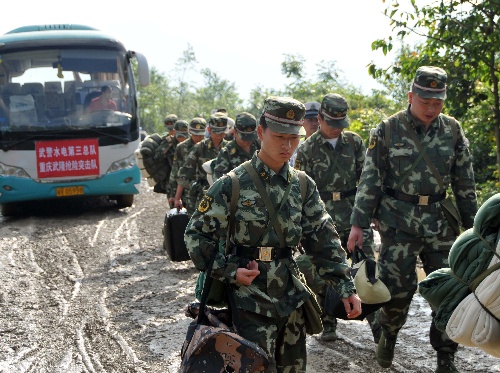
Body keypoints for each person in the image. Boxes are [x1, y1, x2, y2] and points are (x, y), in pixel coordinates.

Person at [185, 96, 361, 372]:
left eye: (294, 138)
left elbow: (322, 237)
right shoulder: (231, 185)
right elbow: (196, 236)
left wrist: (344, 285)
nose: (287, 146)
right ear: (260, 132)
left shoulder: (303, 185)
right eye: (279, 137)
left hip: (290, 296)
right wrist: (230, 270)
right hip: (248, 298)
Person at [347, 66, 478, 373]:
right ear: (411, 96)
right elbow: (371, 179)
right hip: (398, 222)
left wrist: (475, 230)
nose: (431, 108)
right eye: (425, 101)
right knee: (396, 291)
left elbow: (465, 184)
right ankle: (388, 335)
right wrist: (358, 224)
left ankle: (445, 355)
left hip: (440, 223)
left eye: (437, 102)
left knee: (450, 289)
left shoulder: (453, 130)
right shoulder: (388, 129)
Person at [294, 93, 377, 342]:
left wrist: (366, 216)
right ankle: (328, 322)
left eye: (341, 123)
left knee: (367, 270)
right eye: (332, 123)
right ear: (319, 119)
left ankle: (376, 325)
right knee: (323, 273)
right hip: (321, 220)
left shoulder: (354, 143)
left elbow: (367, 180)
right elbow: (300, 191)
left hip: (354, 217)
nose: (336, 129)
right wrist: (301, 227)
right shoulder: (307, 149)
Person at [175, 112, 229, 211]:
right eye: (216, 132)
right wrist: (177, 198)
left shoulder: (229, 148)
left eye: (222, 132)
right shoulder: (199, 148)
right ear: (209, 130)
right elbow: (185, 173)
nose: (219, 135)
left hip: (226, 195)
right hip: (203, 195)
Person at [169, 117, 207, 213]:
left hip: (207, 191)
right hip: (187, 192)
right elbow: (175, 171)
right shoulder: (181, 147)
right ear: (190, 131)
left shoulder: (208, 146)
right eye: (195, 135)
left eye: (201, 135)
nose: (198, 138)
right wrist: (173, 195)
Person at [212, 112, 260, 182]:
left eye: (250, 137)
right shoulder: (227, 153)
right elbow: (219, 182)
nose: (247, 141)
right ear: (235, 132)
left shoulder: (259, 146)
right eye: (244, 137)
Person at [289, 101, 319, 166]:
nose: (314, 123)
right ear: (302, 121)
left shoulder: (328, 143)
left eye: (316, 120)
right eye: (310, 120)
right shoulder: (297, 145)